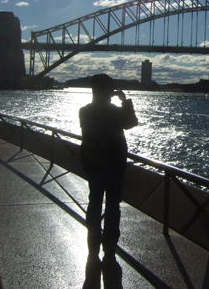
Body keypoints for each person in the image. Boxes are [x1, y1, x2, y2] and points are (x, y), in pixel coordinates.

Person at [79, 74, 138, 286]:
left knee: (94, 204)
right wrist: (124, 100)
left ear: (93, 90)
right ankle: (110, 252)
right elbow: (132, 122)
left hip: (94, 168)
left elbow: (87, 138)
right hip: (114, 167)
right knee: (113, 207)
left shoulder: (84, 111)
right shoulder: (116, 112)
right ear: (110, 91)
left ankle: (92, 250)